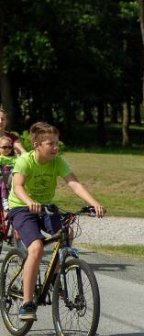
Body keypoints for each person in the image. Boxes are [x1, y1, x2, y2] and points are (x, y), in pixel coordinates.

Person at [8, 122, 105, 321]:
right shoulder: (25, 161)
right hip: (21, 207)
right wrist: (29, 201)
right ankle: (27, 303)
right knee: (35, 248)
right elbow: (17, 186)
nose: (55, 147)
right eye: (50, 144)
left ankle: (57, 277)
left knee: (66, 234)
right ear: (36, 145)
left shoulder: (58, 161)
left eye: (57, 143)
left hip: (46, 207)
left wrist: (94, 203)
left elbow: (74, 184)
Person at [0, 135, 15, 211]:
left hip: (12, 178)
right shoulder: (0, 158)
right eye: (4, 147)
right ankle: (4, 200)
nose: (7, 149)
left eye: (9, 147)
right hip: (3, 178)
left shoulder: (14, 158)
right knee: (3, 183)